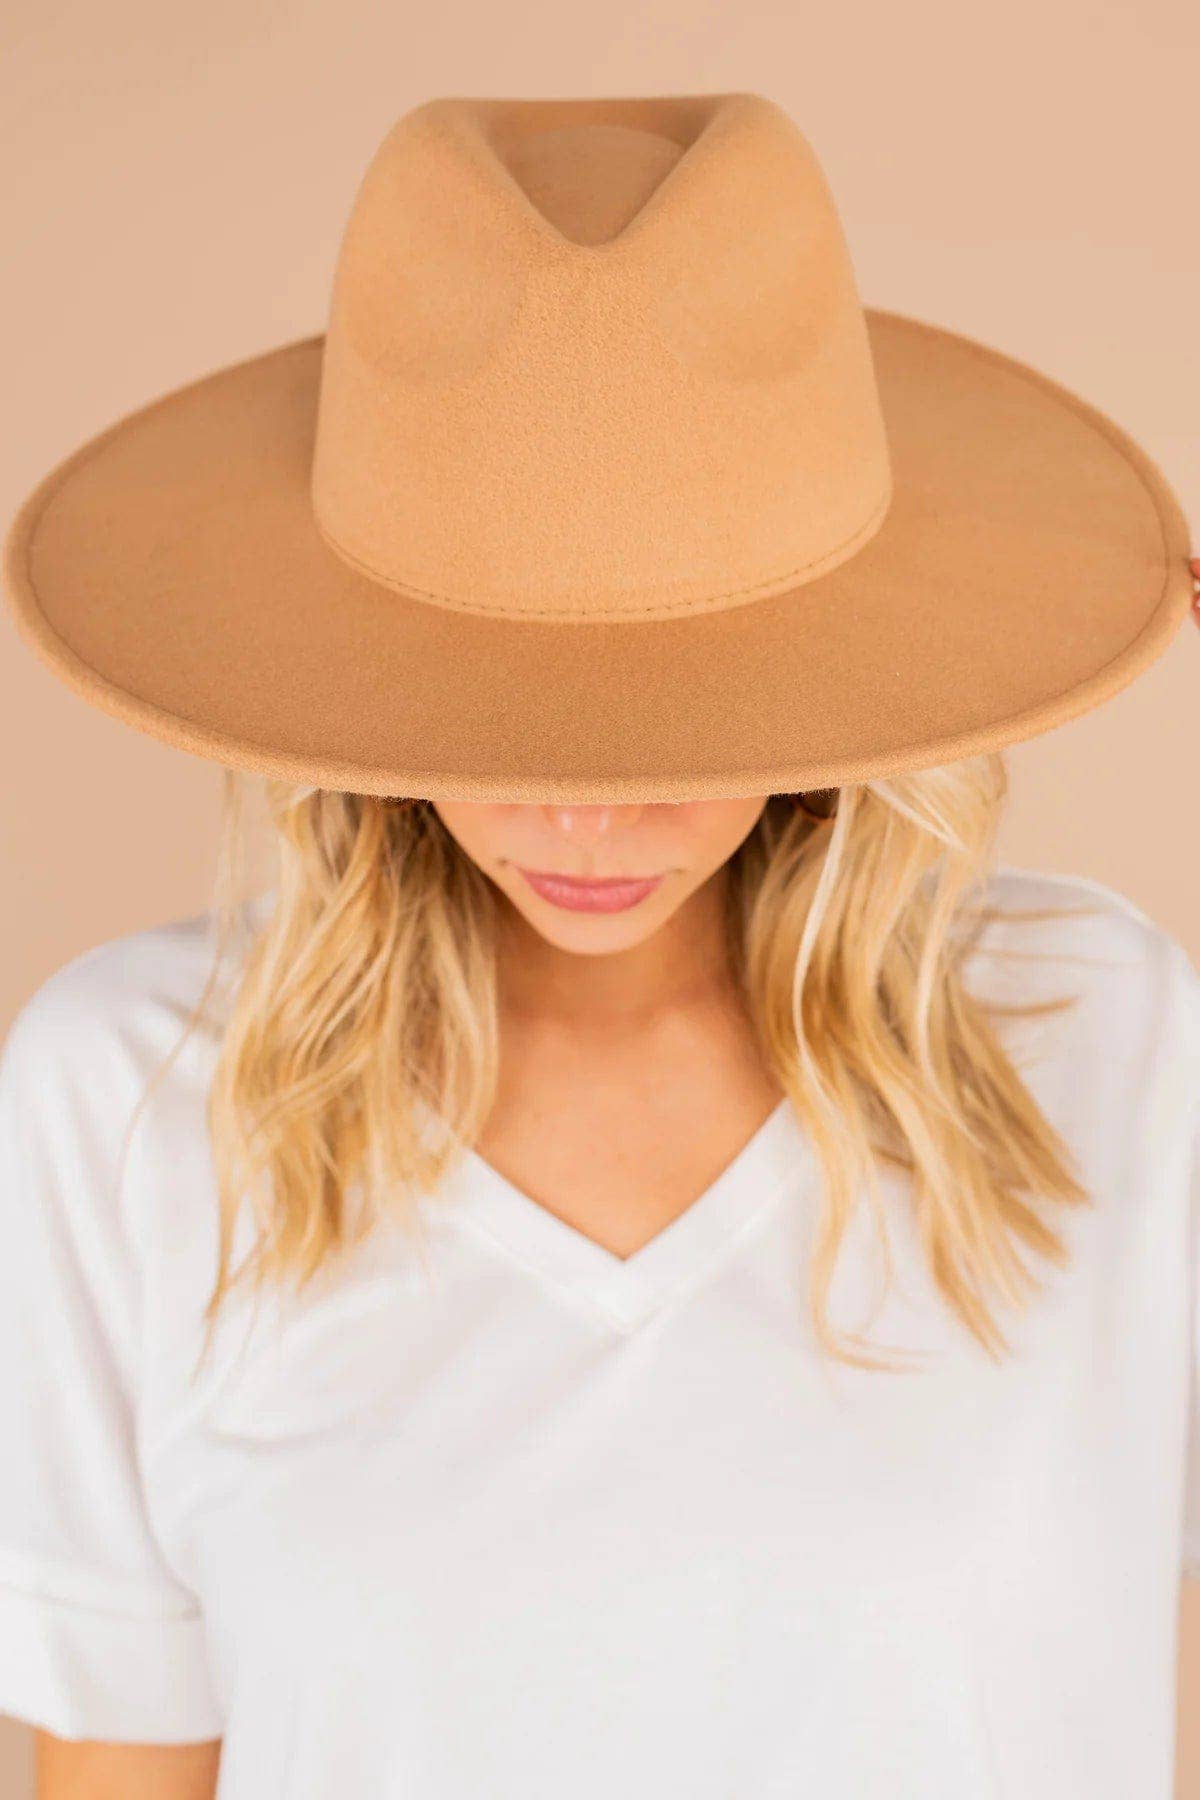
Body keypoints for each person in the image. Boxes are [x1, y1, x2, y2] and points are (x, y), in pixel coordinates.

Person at [0, 91, 1197, 1800]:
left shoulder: (1101, 1043)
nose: (584, 814)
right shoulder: (128, 1097)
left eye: (678, 711)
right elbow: (123, 1760)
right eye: (497, 709)